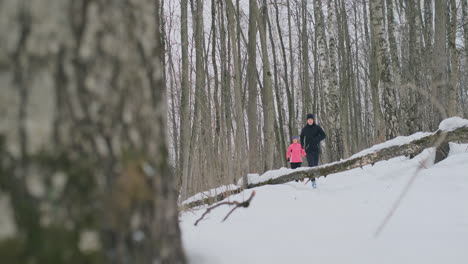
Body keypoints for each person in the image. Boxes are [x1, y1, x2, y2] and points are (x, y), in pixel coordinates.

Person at [300, 114, 326, 188]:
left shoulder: (317, 127)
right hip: (308, 150)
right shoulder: (305, 129)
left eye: (311, 119)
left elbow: (324, 135)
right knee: (311, 165)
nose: (310, 121)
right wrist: (302, 146)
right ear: (307, 120)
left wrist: (317, 139)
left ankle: (313, 178)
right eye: (309, 120)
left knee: (315, 165)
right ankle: (313, 181)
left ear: (313, 120)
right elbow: (301, 137)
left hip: (316, 149)